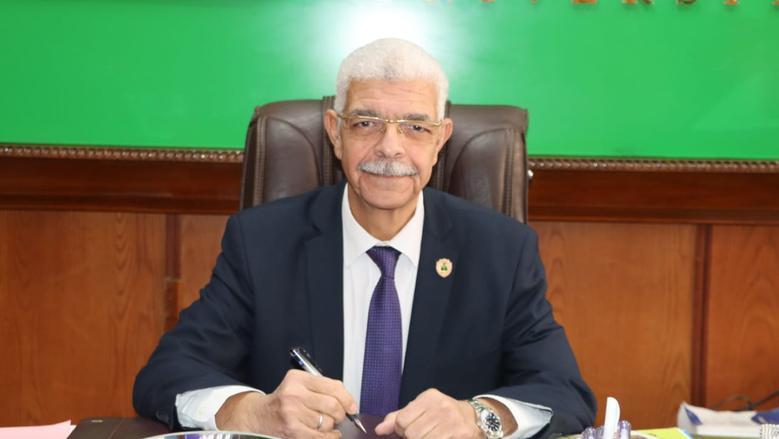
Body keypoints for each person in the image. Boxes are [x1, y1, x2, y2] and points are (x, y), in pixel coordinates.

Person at [133, 38, 596, 439]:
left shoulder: (501, 250)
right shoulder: (262, 242)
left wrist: (478, 418)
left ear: (441, 140)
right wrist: (255, 412)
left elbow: (563, 392)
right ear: (335, 133)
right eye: (366, 123)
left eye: (416, 127)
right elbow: (167, 374)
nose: (390, 148)